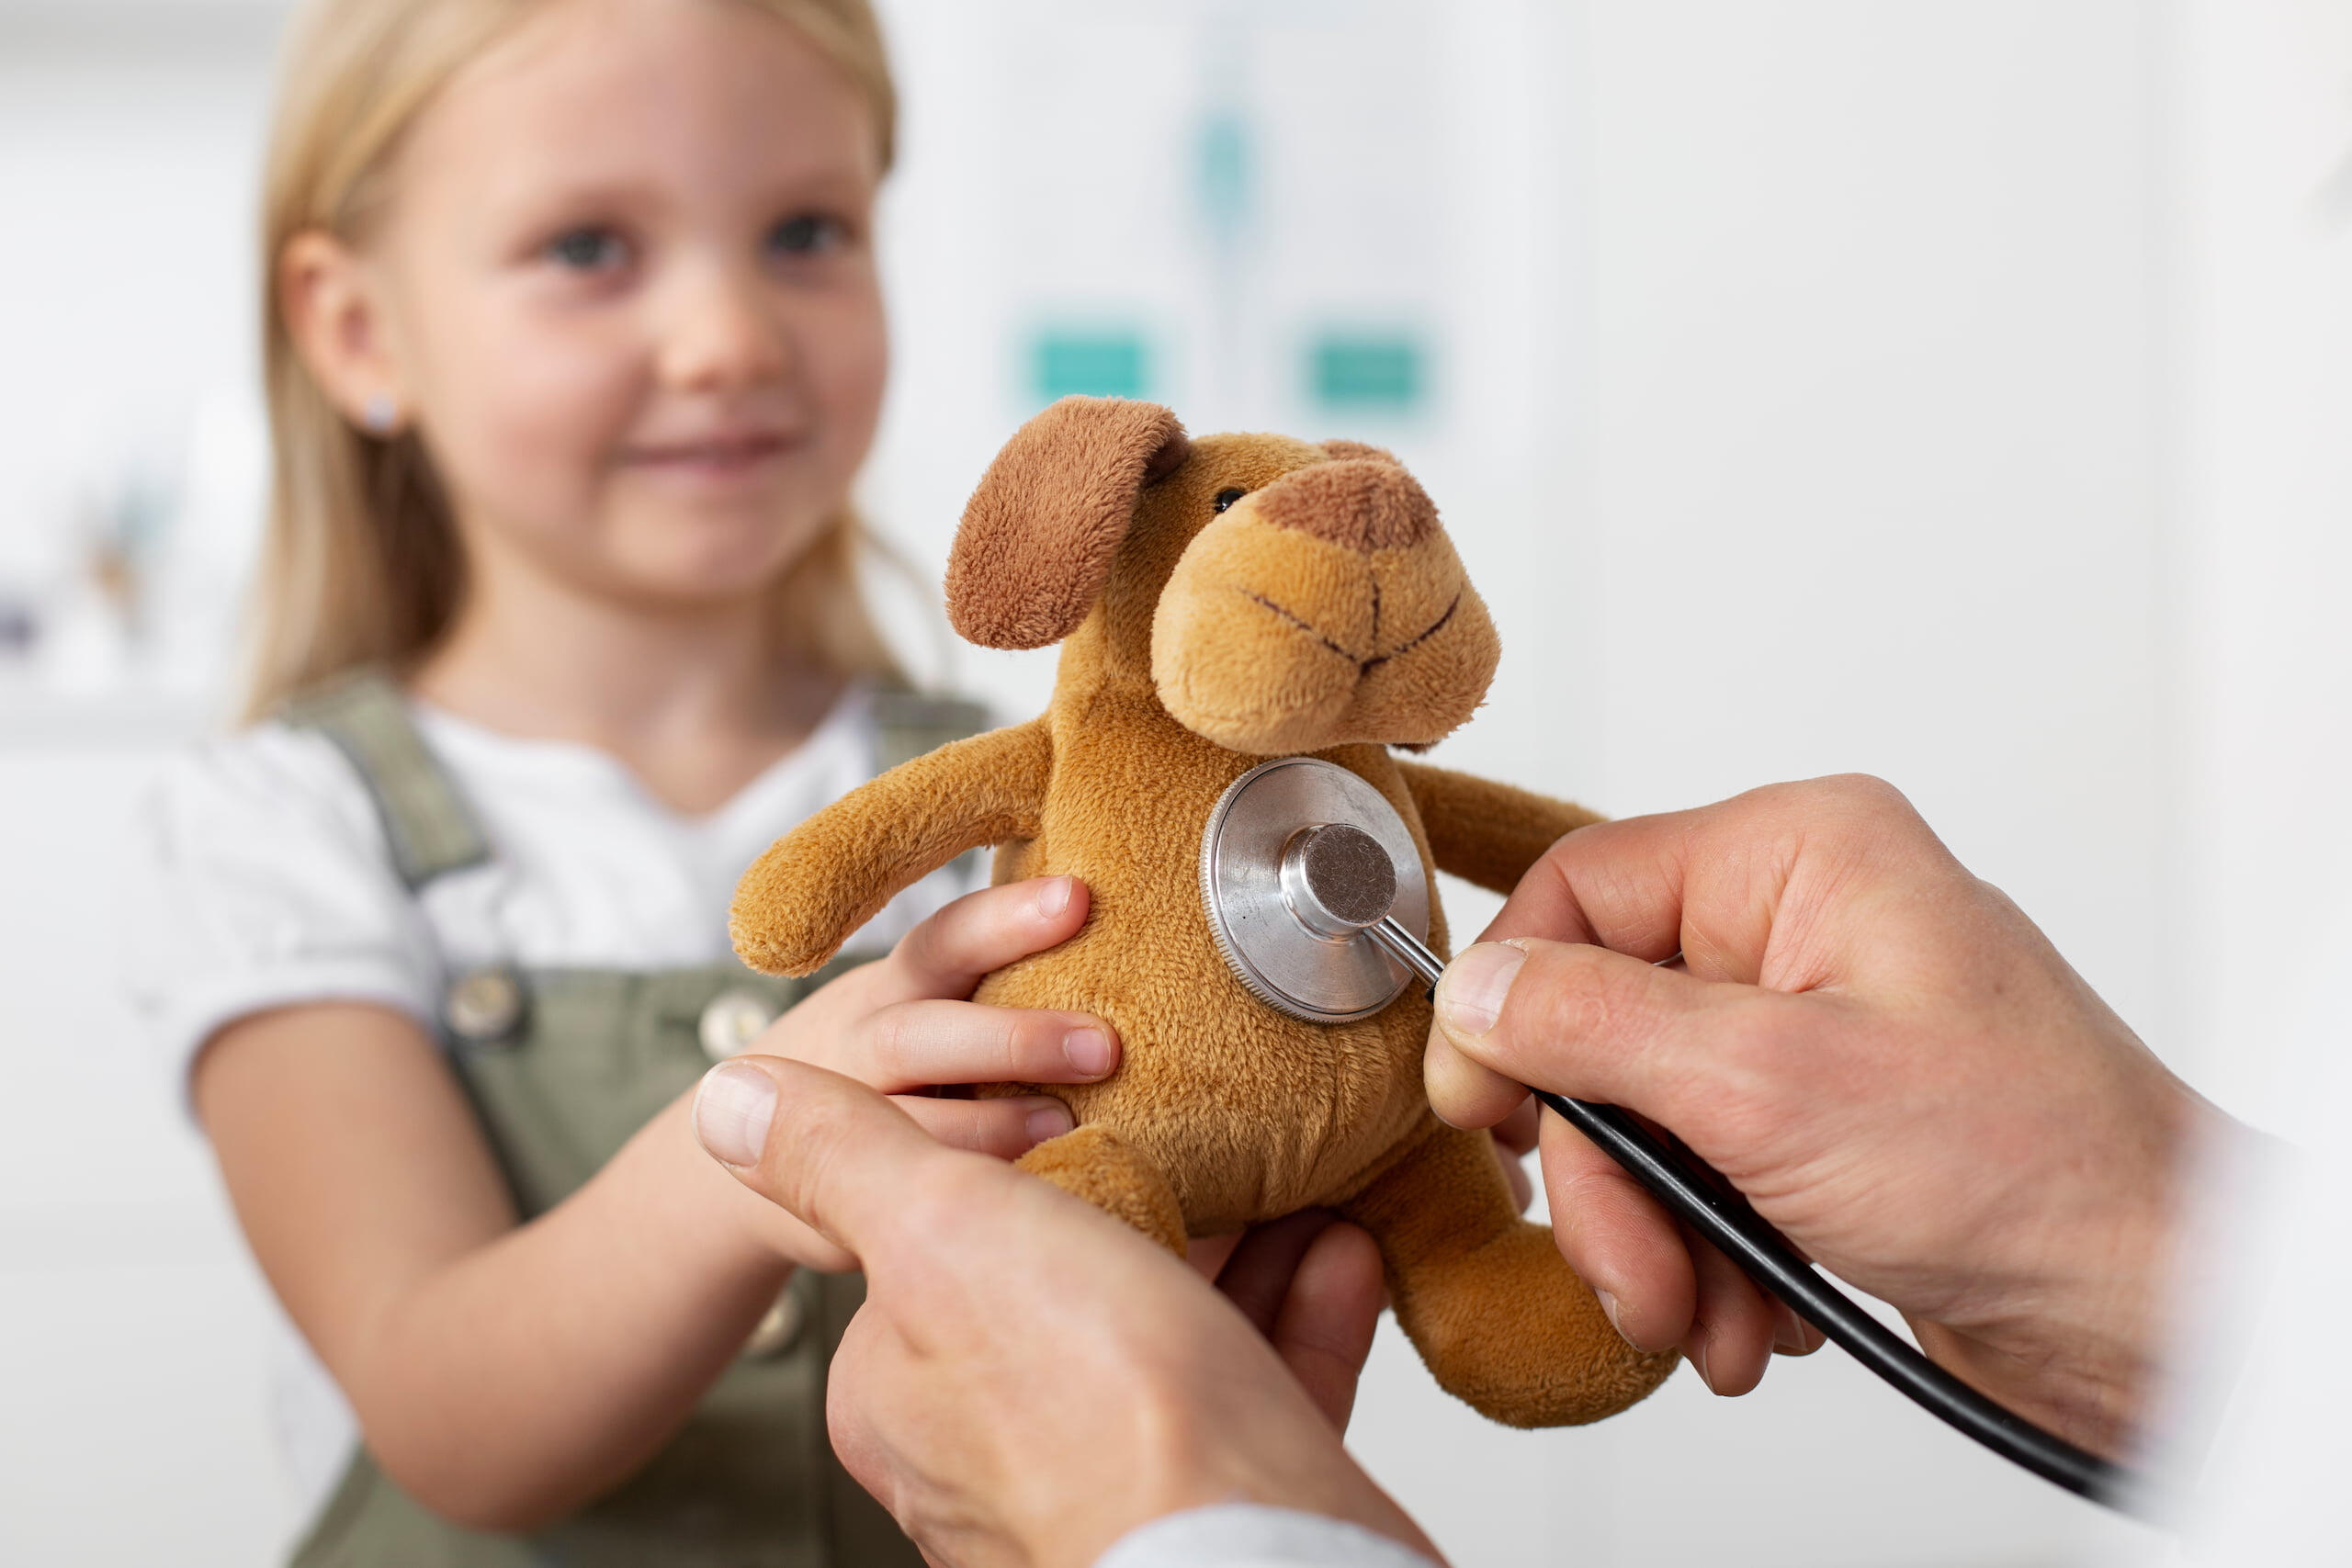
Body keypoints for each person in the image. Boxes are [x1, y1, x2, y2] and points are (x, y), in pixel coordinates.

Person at [124, 1, 1132, 1561]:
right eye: (588, 248)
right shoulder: (286, 833)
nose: (730, 338)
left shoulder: (1015, 804)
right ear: (359, 332)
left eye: (806, 231)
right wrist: (772, 1139)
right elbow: (446, 1412)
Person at [695, 773, 2231, 1567]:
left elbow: (1555, 840)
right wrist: (2159, 1278)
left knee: (1457, 1227)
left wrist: (1154, 1500)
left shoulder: (1367, 792)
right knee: (1098, 1195)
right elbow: (799, 897)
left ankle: (1493, 1290)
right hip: (1119, 1141)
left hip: (1408, 1134)